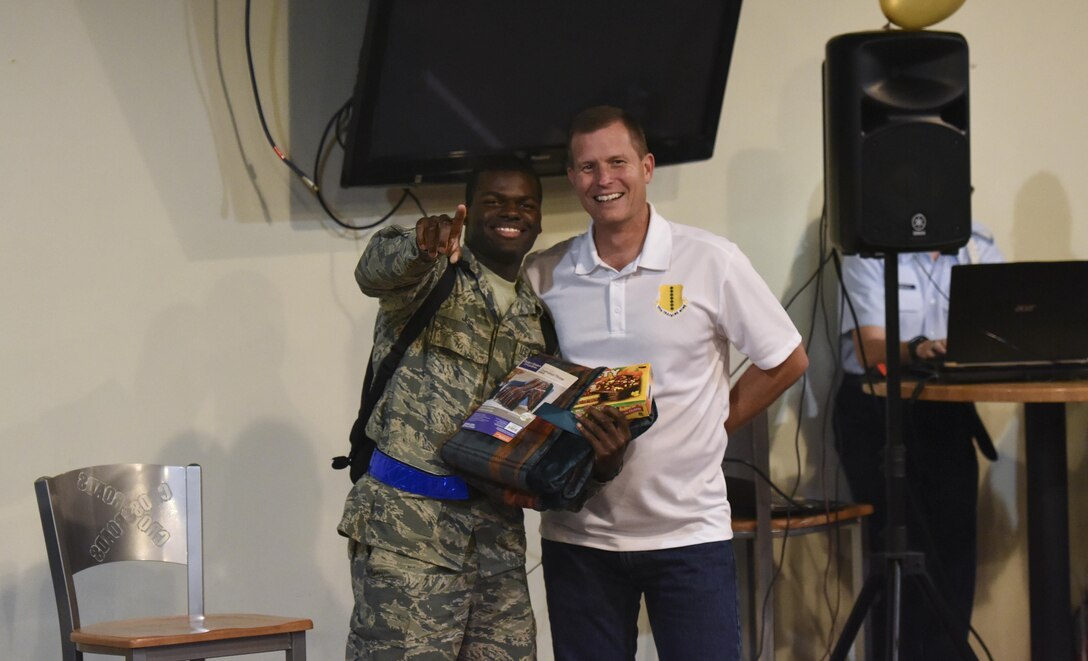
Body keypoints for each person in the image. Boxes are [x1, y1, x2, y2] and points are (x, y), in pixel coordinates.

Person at [524, 106, 809, 660]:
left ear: (647, 167)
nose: (604, 180)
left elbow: (787, 360)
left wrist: (715, 423)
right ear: (572, 178)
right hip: (579, 538)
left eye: (618, 162)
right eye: (588, 167)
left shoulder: (711, 260)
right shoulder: (544, 274)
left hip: (689, 535)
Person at [337, 162, 630, 660]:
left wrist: (601, 466)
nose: (511, 212)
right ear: (469, 212)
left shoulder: (538, 322)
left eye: (525, 204)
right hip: (408, 540)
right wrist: (419, 243)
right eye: (494, 201)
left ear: (538, 221)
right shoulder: (429, 277)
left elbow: (543, 461)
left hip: (497, 552)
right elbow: (374, 269)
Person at [834, 229, 1003, 660]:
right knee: (899, 556)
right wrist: (921, 349)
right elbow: (870, 349)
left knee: (955, 558)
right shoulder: (869, 242)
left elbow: (1002, 328)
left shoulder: (978, 244)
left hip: (947, 409)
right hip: (878, 411)